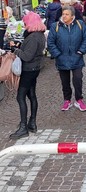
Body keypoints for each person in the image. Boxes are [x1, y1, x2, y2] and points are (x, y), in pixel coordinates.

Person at [9, 11, 46, 139]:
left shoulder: (33, 37)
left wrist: (15, 50)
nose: (24, 25)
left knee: (20, 97)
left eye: (25, 22)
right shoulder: (39, 35)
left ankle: (23, 127)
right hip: (34, 68)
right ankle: (32, 123)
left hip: (29, 70)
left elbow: (27, 56)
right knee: (31, 95)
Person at [47, 6, 86, 112]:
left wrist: (81, 51)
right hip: (62, 58)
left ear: (72, 16)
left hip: (77, 58)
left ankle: (79, 99)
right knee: (65, 82)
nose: (64, 16)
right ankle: (67, 100)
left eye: (67, 14)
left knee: (78, 79)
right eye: (63, 14)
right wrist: (57, 55)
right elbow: (50, 42)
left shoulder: (80, 24)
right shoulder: (55, 26)